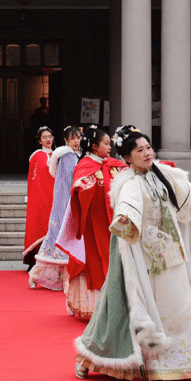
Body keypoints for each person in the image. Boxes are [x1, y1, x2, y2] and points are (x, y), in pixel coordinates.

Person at [75, 124, 191, 381]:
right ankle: (91, 358)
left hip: (171, 254)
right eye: (139, 150)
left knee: (179, 307)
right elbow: (127, 208)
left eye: (148, 147)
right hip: (143, 257)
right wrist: (124, 221)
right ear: (127, 158)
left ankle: (179, 362)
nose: (147, 153)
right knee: (124, 305)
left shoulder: (164, 175)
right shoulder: (128, 183)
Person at [56, 125, 126, 318]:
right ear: (95, 146)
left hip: (112, 222)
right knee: (93, 262)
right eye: (105, 143)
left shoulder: (112, 163)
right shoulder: (85, 165)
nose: (109, 147)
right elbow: (79, 186)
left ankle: (115, 305)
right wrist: (83, 187)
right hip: (92, 225)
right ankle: (92, 306)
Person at [29, 125, 82, 290]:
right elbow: (67, 183)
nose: (76, 141)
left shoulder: (74, 155)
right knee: (55, 240)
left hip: (68, 203)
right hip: (65, 203)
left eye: (78, 137)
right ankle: (36, 275)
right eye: (72, 138)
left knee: (59, 242)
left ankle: (61, 279)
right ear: (65, 140)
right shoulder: (66, 156)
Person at [23, 126, 55, 269]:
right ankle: (34, 261)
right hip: (39, 197)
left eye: (50, 136)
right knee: (38, 225)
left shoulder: (58, 154)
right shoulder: (37, 155)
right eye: (45, 137)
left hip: (54, 197)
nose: (48, 139)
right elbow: (35, 179)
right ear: (40, 140)